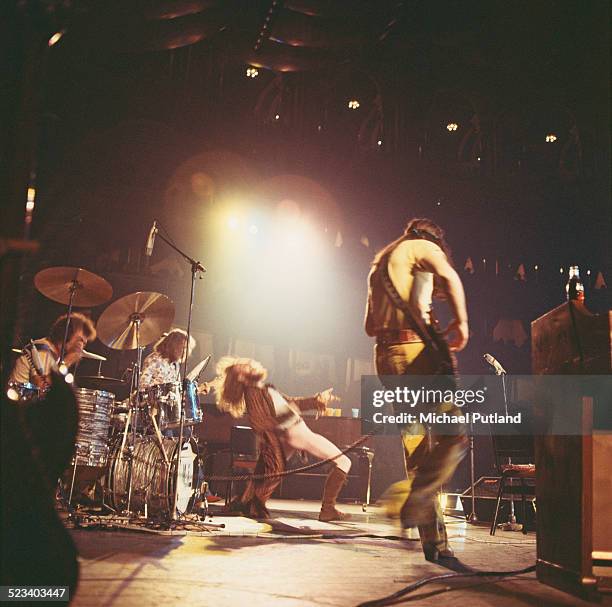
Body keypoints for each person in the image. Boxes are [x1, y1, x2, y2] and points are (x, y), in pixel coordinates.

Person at [365, 217, 469, 562]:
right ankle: (408, 497)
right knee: (454, 437)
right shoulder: (423, 246)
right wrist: (461, 323)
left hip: (387, 361)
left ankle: (435, 545)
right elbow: (451, 278)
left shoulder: (379, 264)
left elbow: (369, 326)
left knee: (419, 452)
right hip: (414, 359)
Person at [209, 357, 352, 522]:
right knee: (344, 461)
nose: (251, 364)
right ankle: (328, 509)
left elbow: (290, 403)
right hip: (296, 433)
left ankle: (248, 503)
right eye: (245, 367)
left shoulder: (263, 389)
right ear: (241, 377)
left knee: (267, 474)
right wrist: (288, 421)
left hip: (294, 432)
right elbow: (261, 423)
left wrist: (316, 400)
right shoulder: (253, 394)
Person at [10, 312, 96, 389]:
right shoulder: (42, 350)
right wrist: (67, 362)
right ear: (66, 334)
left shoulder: (54, 354)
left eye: (84, 343)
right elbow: (41, 387)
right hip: (19, 402)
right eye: (80, 339)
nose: (81, 345)